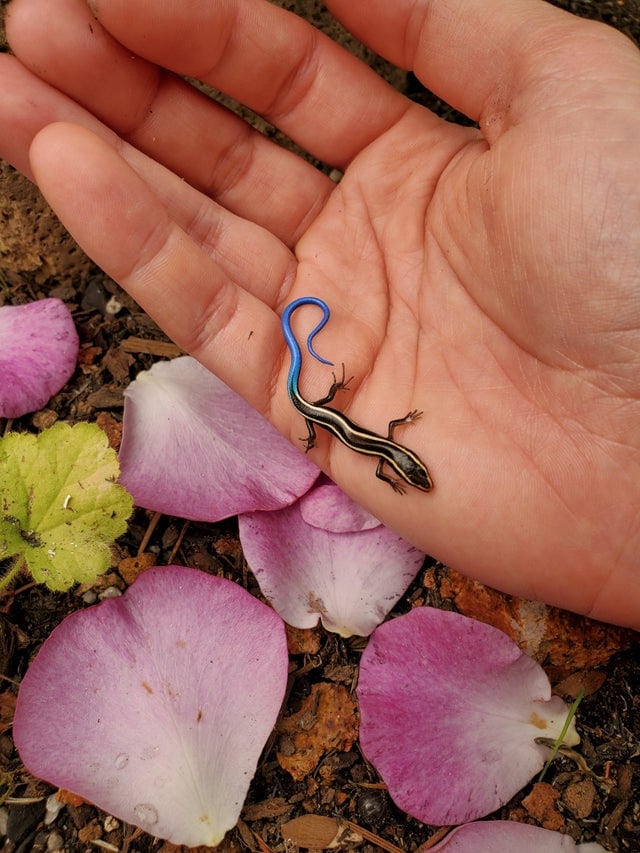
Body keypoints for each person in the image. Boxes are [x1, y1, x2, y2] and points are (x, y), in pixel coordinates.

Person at [1, 0, 639, 628]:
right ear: (403, 462)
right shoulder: (380, 444)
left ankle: (306, 352)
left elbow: (383, 436)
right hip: (319, 409)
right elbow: (381, 435)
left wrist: (331, 433)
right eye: (410, 474)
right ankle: (304, 352)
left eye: (411, 476)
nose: (409, 473)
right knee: (314, 387)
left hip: (320, 410)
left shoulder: (384, 446)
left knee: (315, 385)